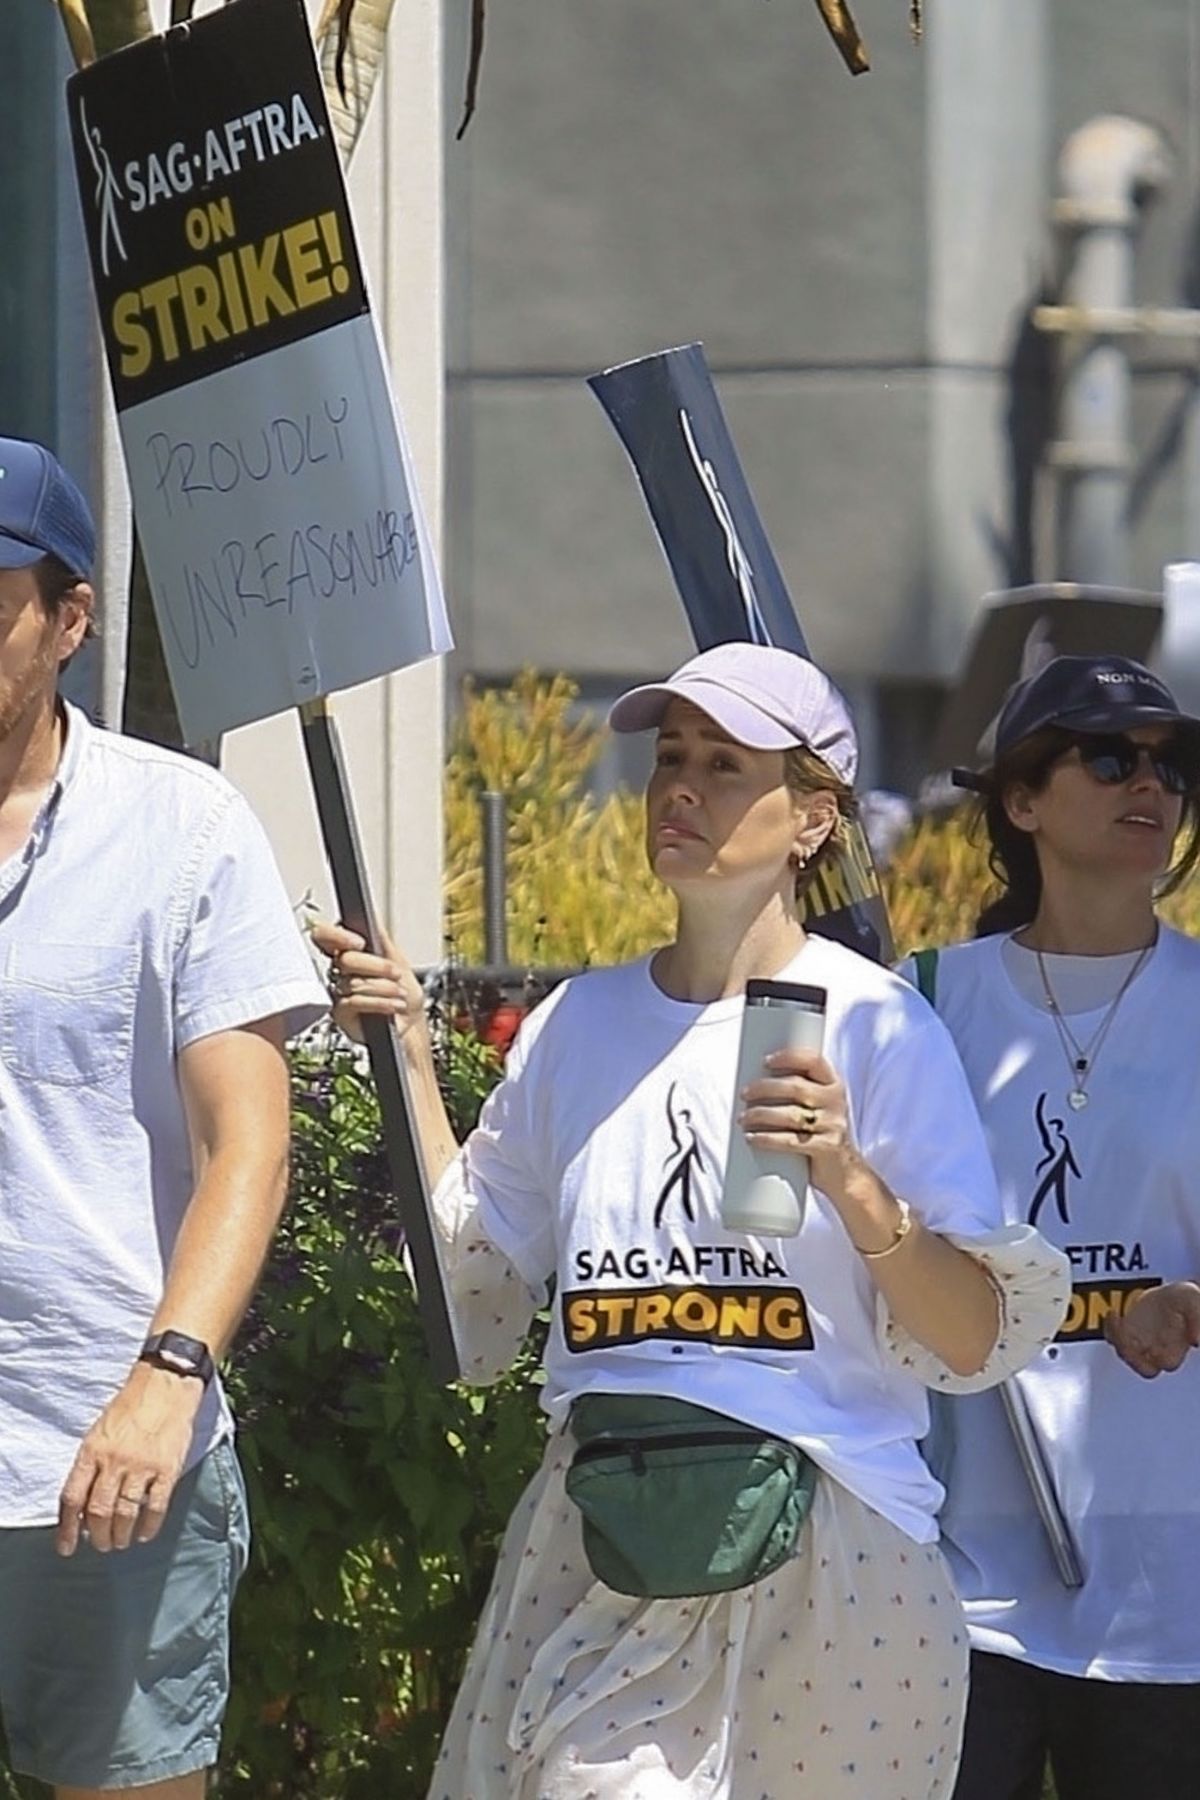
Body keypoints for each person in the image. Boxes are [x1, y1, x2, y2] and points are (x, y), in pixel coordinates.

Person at [318, 641, 1068, 1800]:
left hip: (836, 1551)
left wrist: (851, 1181)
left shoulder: (873, 1024)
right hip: (610, 1534)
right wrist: (411, 1055)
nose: (682, 786)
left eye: (727, 764)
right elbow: (471, 1295)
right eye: (672, 756)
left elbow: (970, 1338)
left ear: (814, 818)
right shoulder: (579, 1024)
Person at [0, 436, 326, 1798]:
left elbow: (243, 1142)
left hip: (109, 1457)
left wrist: (166, 1377)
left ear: (72, 620)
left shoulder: (182, 829)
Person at [897, 654, 1200, 1800]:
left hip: (1173, 1595)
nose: (1153, 786)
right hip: (954, 1582)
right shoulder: (918, 1003)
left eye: (1174, 767)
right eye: (1112, 756)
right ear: (1020, 801)